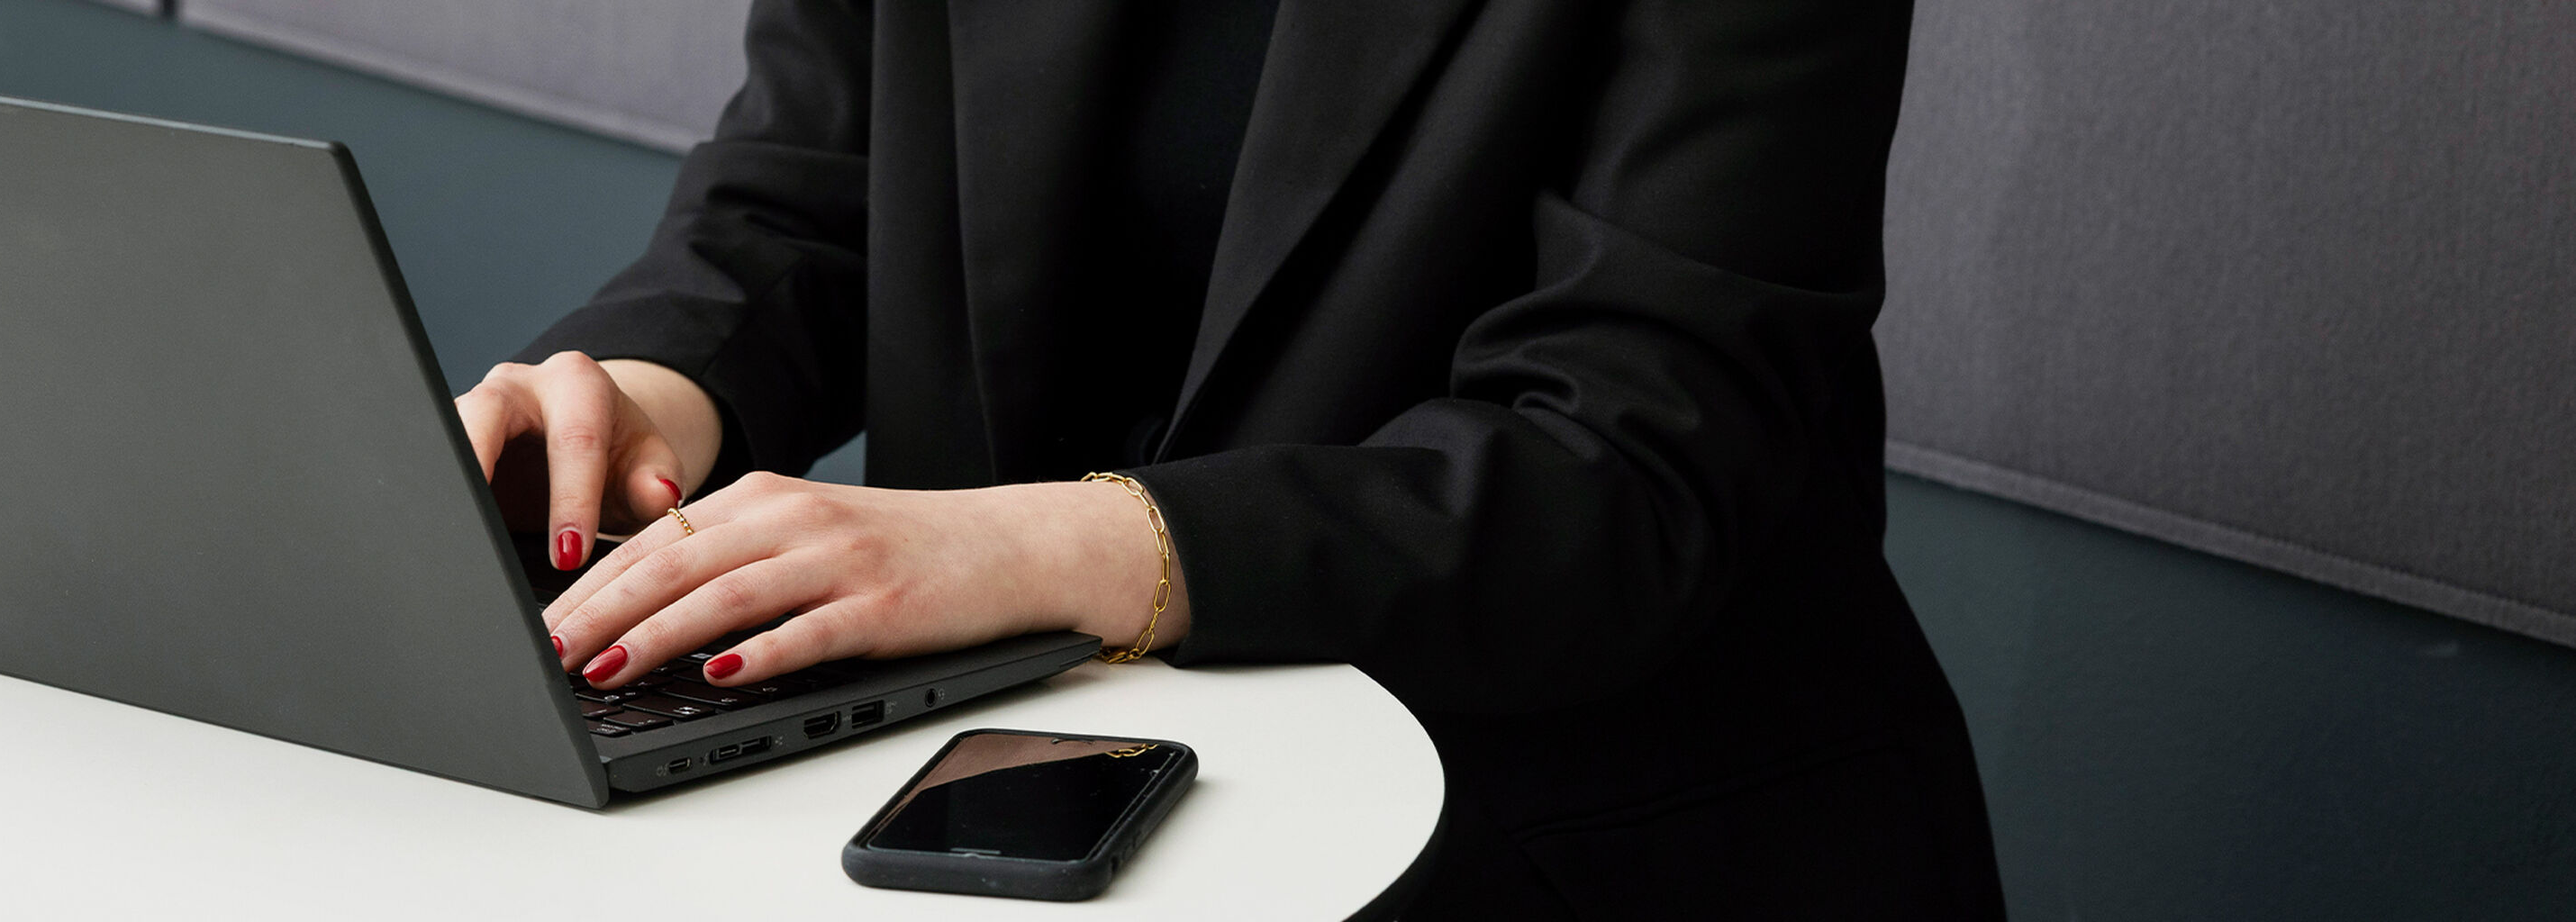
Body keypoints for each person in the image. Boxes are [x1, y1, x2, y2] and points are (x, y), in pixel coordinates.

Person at [455, 1, 2002, 917]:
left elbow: (1622, 471)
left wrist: (1029, 550)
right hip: (1039, 809)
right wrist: (641, 406)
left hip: (1587, 835)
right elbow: (802, 198)